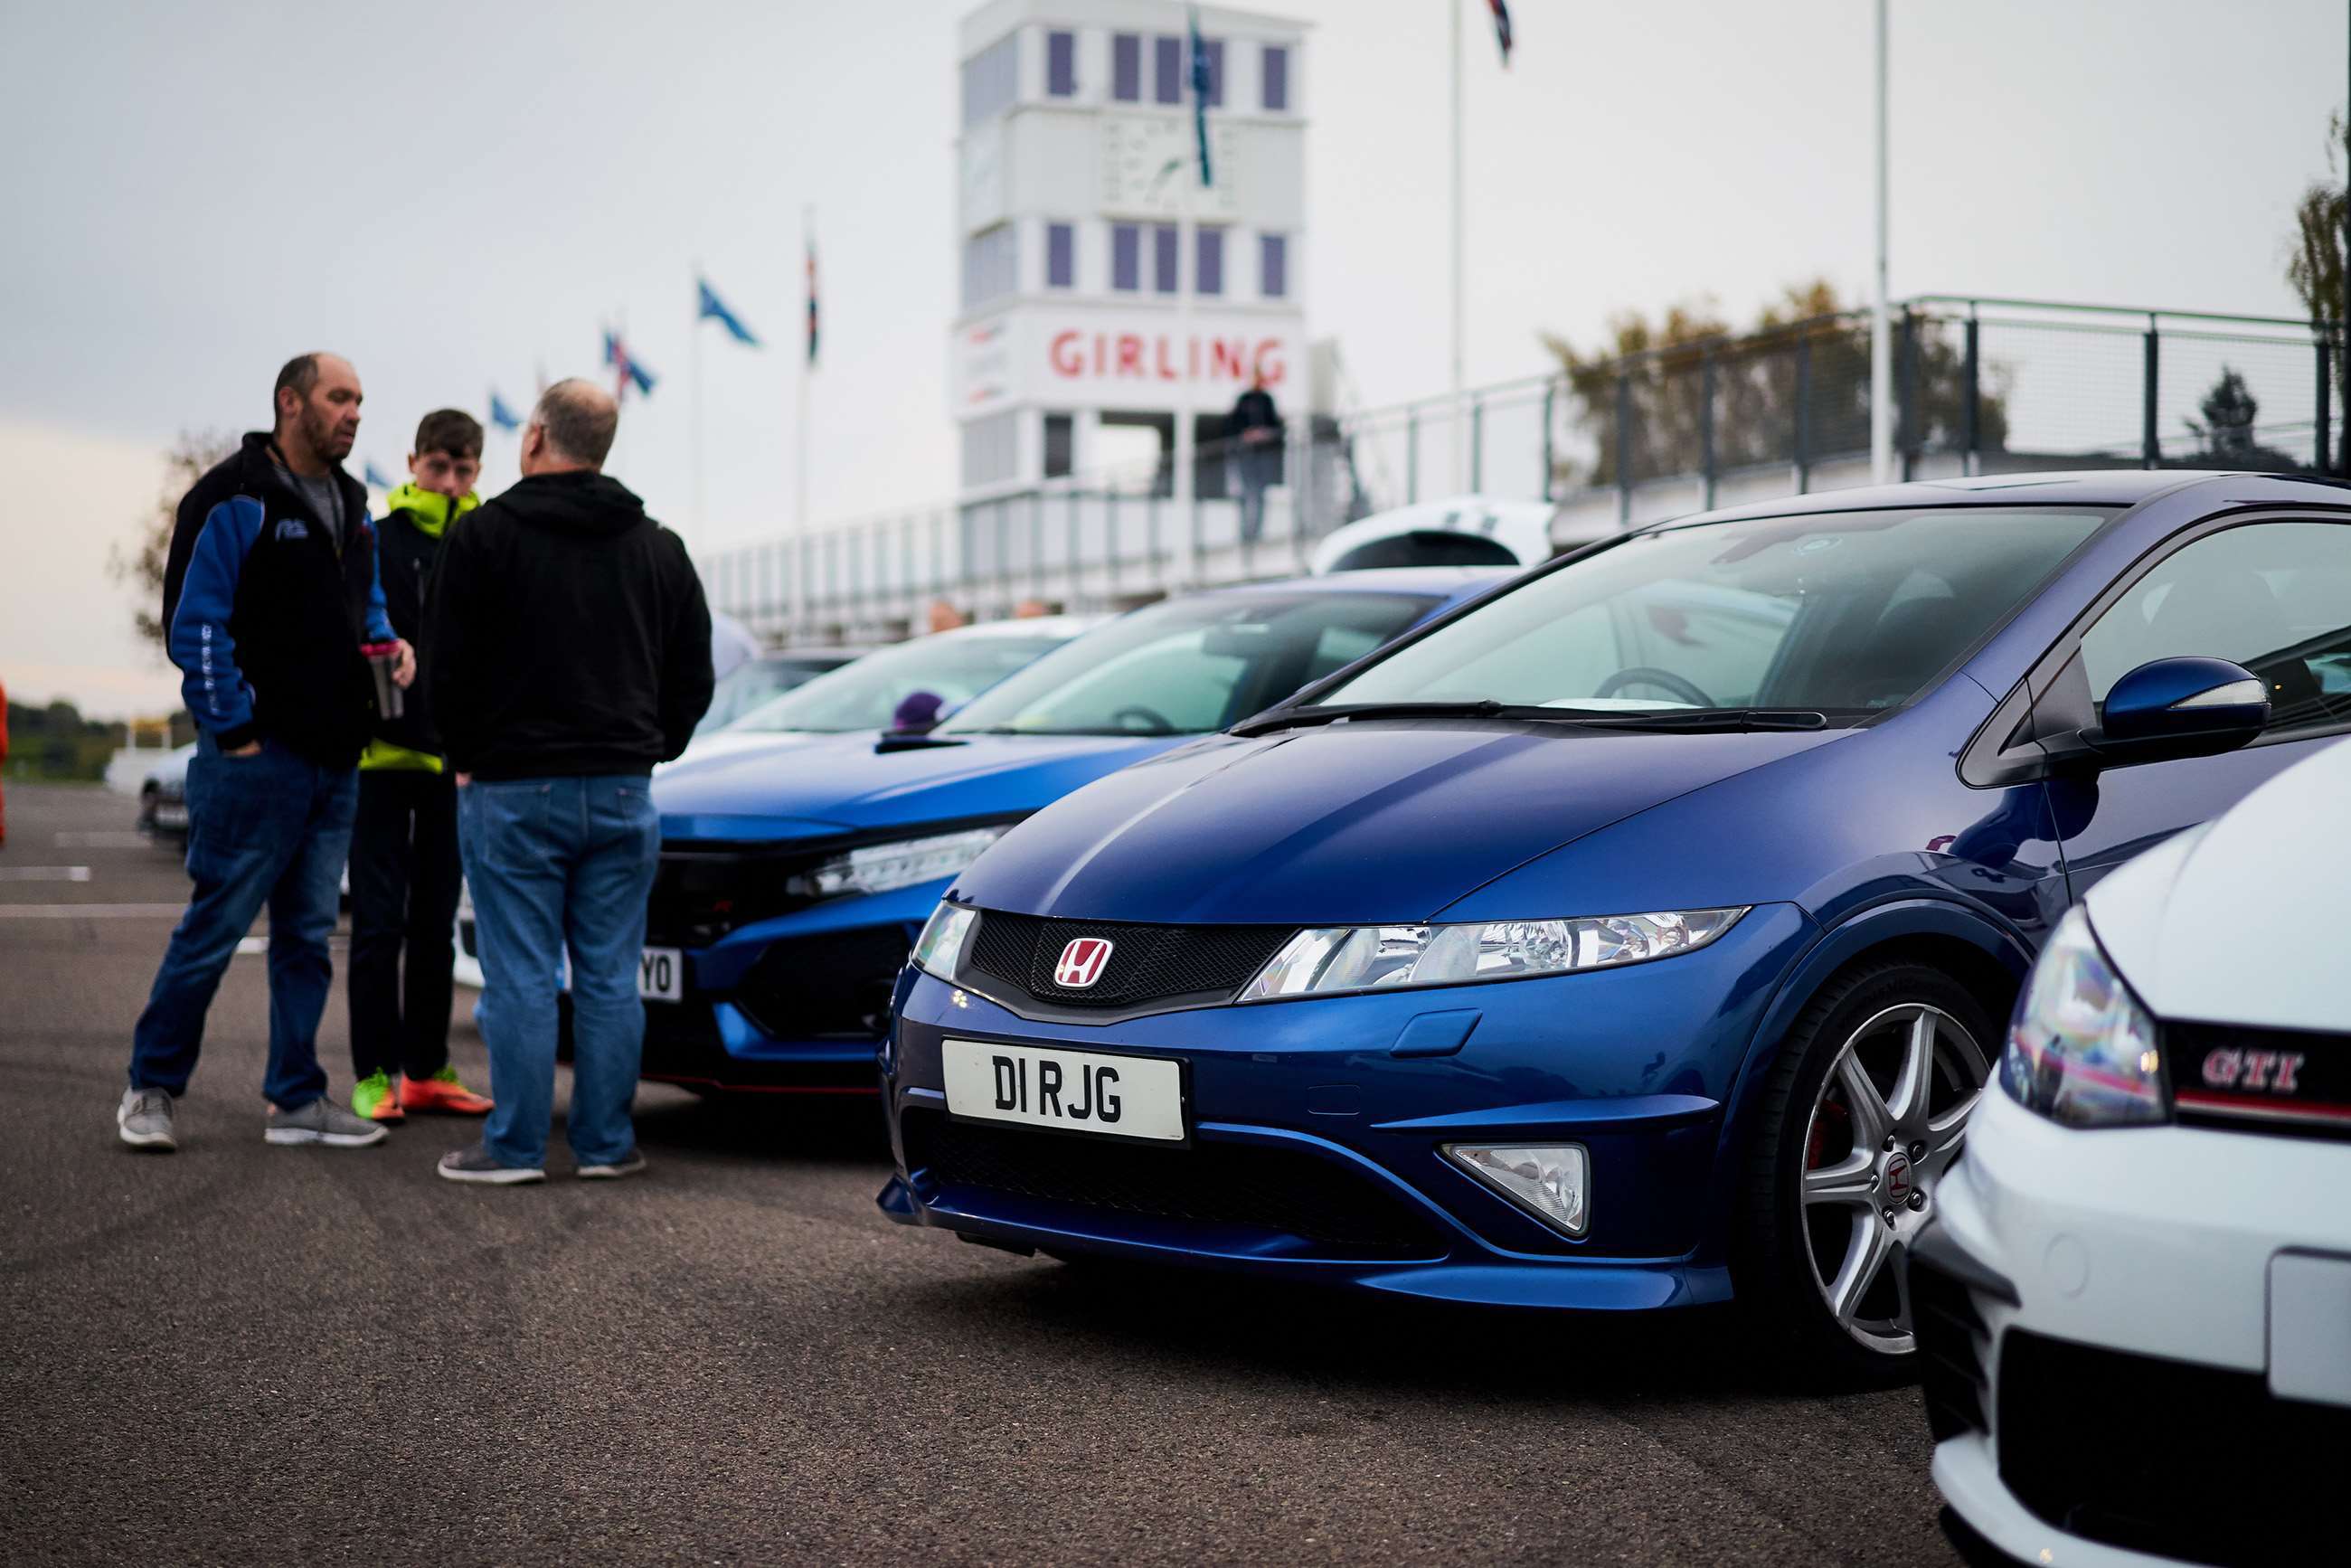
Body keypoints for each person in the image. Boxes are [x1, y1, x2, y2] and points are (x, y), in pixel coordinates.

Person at [118, 352, 413, 1153]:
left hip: (335, 762)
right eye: (339, 398)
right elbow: (196, 625)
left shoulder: (353, 502)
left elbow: (369, 607)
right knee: (212, 930)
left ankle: (296, 1100)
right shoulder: (231, 496)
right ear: (291, 402)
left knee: (307, 938)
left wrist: (389, 644)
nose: (354, 413)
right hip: (256, 761)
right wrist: (238, 730)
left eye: (360, 401)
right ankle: (150, 1089)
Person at [425, 380, 713, 1185]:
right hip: (623, 787)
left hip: (513, 789)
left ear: (536, 437)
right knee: (610, 978)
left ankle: (514, 1149)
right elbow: (694, 671)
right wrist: (654, 747)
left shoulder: (484, 538)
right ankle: (605, 1145)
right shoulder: (657, 546)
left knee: (519, 976)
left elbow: (444, 665)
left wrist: (464, 753)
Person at [345, 409, 495, 1124]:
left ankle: (427, 1068)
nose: (451, 482)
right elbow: (352, 628)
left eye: (465, 470)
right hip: (379, 760)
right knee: (378, 923)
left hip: (454, 765)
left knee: (435, 922)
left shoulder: (487, 539)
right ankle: (373, 1074)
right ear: (413, 463)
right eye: (440, 467)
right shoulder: (376, 535)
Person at [1224, 371, 1284, 545]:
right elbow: (1232, 425)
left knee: (1259, 494)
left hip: (1262, 456)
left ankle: (1256, 533)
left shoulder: (1267, 400)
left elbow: (1276, 426)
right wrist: (1246, 435)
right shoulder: (1243, 400)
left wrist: (1265, 434)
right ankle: (1245, 533)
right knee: (1244, 493)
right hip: (1245, 454)